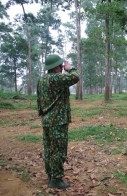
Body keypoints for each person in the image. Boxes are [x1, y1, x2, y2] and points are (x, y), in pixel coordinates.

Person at [37, 54, 79, 189]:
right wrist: (70, 68)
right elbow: (75, 77)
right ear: (55, 67)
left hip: (47, 120)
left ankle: (51, 175)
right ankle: (56, 180)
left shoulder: (42, 80)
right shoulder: (56, 78)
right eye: (60, 65)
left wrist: (43, 114)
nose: (62, 67)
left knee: (49, 149)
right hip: (58, 121)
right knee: (58, 151)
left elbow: (39, 100)